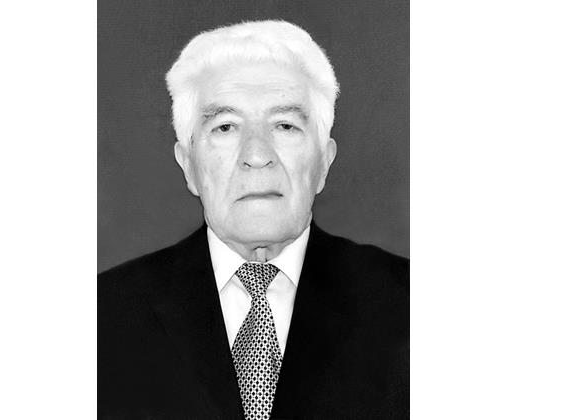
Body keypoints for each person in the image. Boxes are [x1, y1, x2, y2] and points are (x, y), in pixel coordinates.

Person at [98, 20, 409, 419]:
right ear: (188, 165)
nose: (257, 155)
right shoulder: (102, 317)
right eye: (226, 127)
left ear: (324, 162)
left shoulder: (409, 305)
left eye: (285, 125)